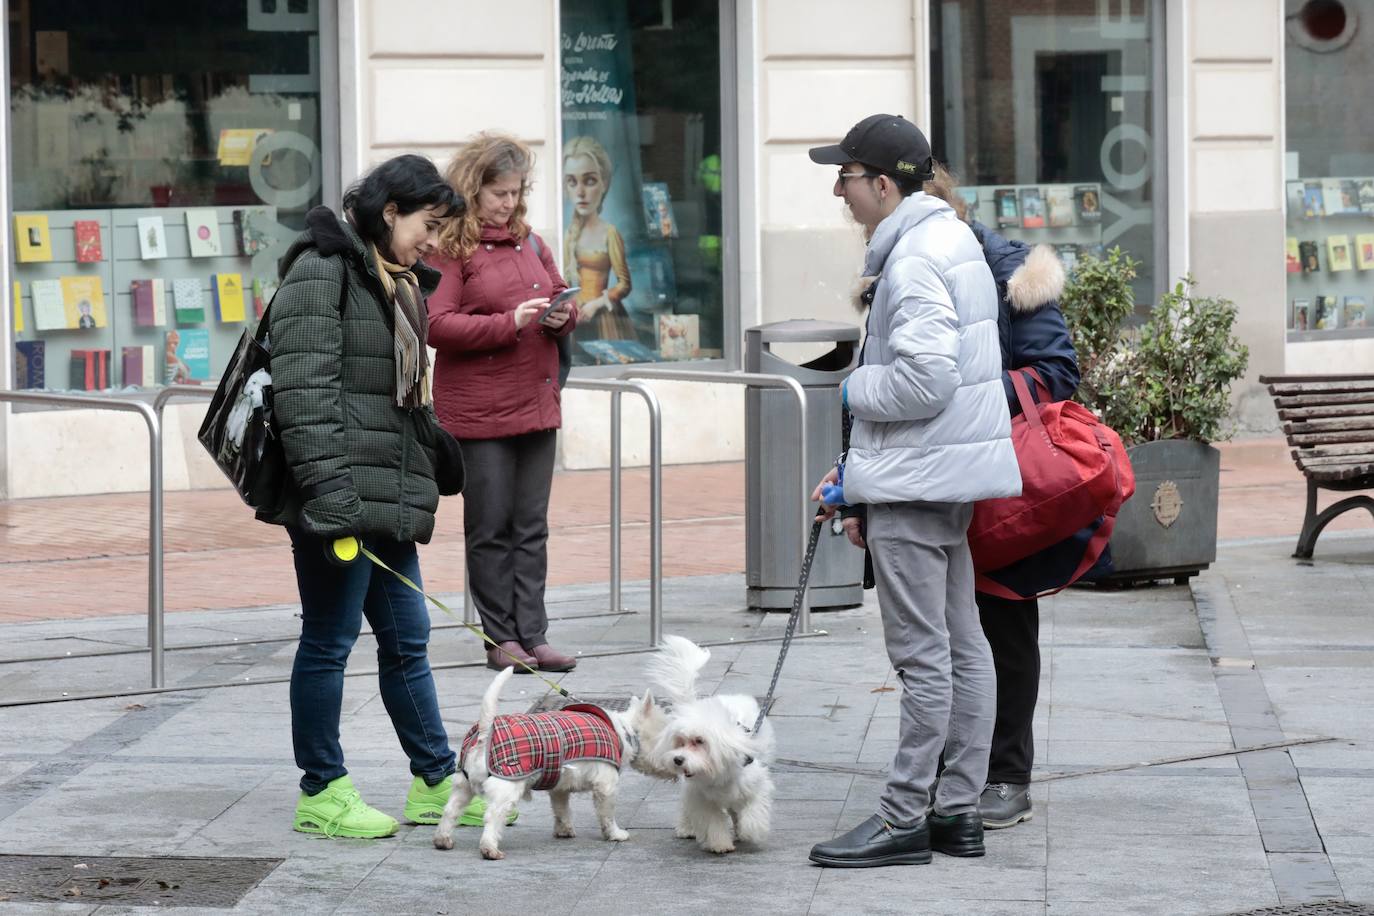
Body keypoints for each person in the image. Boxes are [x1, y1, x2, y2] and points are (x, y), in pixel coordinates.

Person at [805, 114, 1020, 867]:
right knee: (963, 646)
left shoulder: (916, 257)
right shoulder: (950, 239)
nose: (839, 188)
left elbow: (926, 379)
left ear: (883, 183)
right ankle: (956, 810)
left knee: (925, 656)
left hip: (918, 481)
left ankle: (903, 817)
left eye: (847, 174)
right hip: (937, 474)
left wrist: (853, 388)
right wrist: (856, 475)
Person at [263, 154, 473, 838]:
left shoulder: (396, 281)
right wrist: (330, 499)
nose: (434, 240)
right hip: (338, 498)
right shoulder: (320, 272)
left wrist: (435, 451)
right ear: (390, 213)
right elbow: (305, 398)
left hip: (384, 493)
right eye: (428, 224)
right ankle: (322, 790)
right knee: (328, 641)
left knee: (408, 638)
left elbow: (398, 399)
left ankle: (434, 778)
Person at [919, 166, 1081, 829]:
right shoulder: (904, 270)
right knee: (932, 634)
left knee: (1003, 624)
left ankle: (1007, 773)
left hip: (1002, 479)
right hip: (927, 480)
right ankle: (947, 766)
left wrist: (967, 401)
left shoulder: (1012, 271)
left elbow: (1057, 372)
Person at [429, 132, 580, 674]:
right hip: (479, 413)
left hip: (534, 402)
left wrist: (564, 314)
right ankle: (501, 638)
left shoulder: (531, 242)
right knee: (490, 526)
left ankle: (534, 635)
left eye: (516, 192)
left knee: (531, 526)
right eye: (499, 193)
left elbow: (561, 289)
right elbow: (435, 324)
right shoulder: (451, 249)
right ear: (474, 189)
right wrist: (508, 324)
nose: (509, 203)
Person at [562, 135, 635, 340]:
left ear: (604, 183)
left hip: (604, 318)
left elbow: (624, 284)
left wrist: (596, 303)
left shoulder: (610, 233)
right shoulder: (569, 234)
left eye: (590, 180)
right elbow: (564, 281)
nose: (581, 192)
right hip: (576, 317)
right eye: (572, 182)